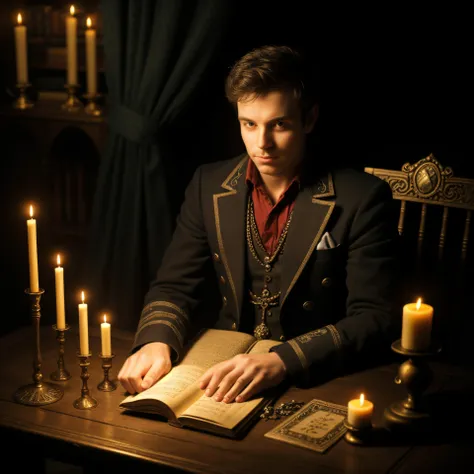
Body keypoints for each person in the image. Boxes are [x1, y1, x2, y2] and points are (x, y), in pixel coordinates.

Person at [118, 44, 400, 404]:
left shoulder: (363, 197)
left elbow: (374, 318)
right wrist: (156, 340)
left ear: (309, 119)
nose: (262, 143)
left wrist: (282, 361)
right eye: (248, 124)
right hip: (220, 372)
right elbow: (174, 286)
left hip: (311, 377)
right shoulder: (208, 184)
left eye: (278, 124)